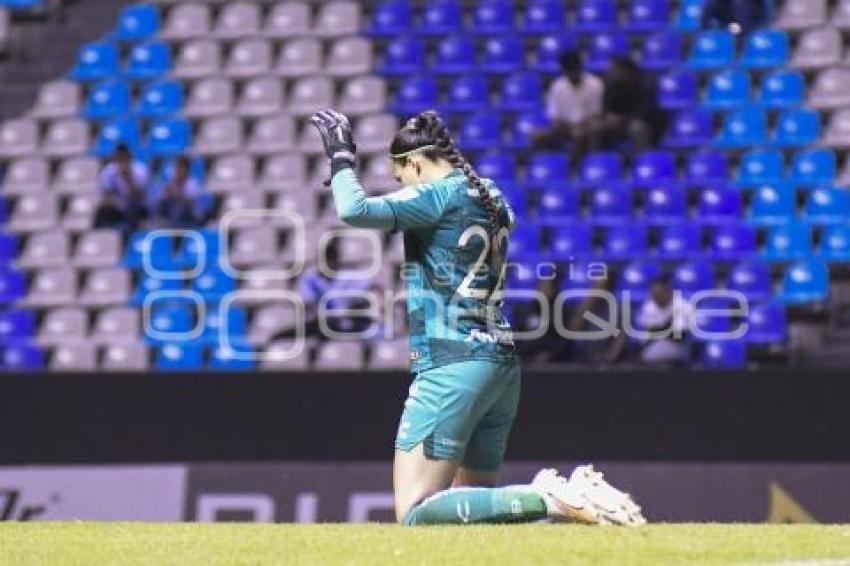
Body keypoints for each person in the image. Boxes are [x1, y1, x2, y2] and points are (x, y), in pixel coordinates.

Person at [310, 108, 645, 527]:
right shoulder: (493, 196)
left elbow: (353, 209)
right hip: (499, 366)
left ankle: (551, 497)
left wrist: (341, 156)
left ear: (414, 162)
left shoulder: (436, 196)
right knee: (477, 518)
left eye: (401, 177)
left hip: (451, 365)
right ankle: (555, 499)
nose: (402, 187)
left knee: (415, 513)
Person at [531, 51, 604, 157]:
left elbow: (596, 114)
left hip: (587, 128)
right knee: (538, 137)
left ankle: (573, 168)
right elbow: (554, 116)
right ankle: (551, 167)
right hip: (565, 128)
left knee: (582, 134)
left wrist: (579, 127)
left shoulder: (595, 84)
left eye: (575, 70)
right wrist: (569, 127)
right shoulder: (557, 86)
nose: (572, 75)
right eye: (569, 71)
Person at [586, 57, 666, 153]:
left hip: (646, 123)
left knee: (636, 128)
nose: (611, 73)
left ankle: (643, 160)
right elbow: (607, 107)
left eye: (614, 70)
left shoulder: (646, 84)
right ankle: (597, 161)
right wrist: (609, 118)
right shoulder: (612, 85)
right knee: (595, 128)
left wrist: (623, 119)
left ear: (625, 71)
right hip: (620, 123)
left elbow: (645, 112)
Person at [93, 144, 150, 233]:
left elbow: (138, 197)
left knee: (134, 209)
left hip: (137, 205)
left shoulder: (141, 170)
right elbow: (106, 195)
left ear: (130, 158)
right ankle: (100, 237)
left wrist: (128, 178)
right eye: (119, 158)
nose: (122, 162)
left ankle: (129, 237)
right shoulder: (109, 170)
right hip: (117, 205)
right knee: (101, 211)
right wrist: (113, 202)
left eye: (124, 158)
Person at [636, 276, 693, 365]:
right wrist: (666, 327)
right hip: (654, 344)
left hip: (680, 345)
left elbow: (678, 336)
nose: (656, 297)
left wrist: (660, 329)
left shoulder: (682, 305)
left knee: (650, 355)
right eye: (654, 294)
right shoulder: (649, 305)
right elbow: (648, 332)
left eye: (659, 294)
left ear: (668, 291)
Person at [151, 156, 212, 228]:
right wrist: (166, 193)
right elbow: (160, 199)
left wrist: (176, 192)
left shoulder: (192, 183)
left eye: (181, 168)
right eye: (177, 168)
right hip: (172, 215)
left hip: (189, 215)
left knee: (179, 208)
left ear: (187, 169)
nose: (178, 171)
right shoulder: (171, 182)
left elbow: (189, 203)